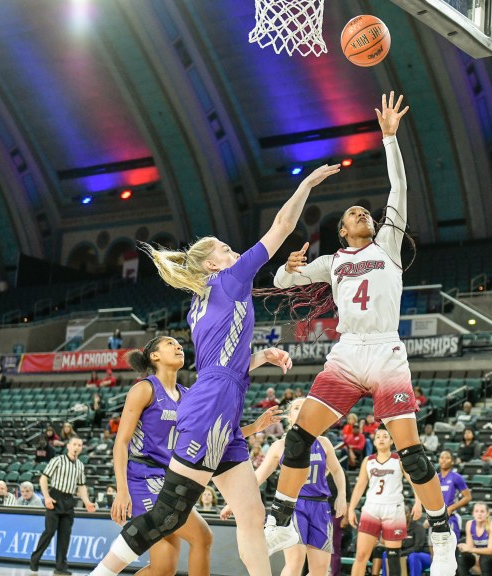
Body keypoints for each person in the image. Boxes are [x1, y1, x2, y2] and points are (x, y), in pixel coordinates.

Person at [83, 151, 339, 576]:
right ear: (212, 264)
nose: (232, 249)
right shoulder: (231, 279)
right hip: (211, 405)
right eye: (224, 248)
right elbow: (281, 227)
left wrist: (257, 357)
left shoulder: (201, 304)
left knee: (252, 517)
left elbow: (220, 362)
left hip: (222, 397)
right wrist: (306, 185)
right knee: (170, 515)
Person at [262, 94, 457, 575]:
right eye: (352, 213)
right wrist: (288, 269)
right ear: (342, 229)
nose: (361, 213)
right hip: (347, 353)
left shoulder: (388, 242)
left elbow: (399, 189)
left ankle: (441, 533)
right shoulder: (333, 263)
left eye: (365, 212)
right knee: (296, 437)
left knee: (411, 454)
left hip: (387, 350)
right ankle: (281, 519)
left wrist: (389, 137)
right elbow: (286, 282)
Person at [91, 336, 281, 576]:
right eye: (170, 344)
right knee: (202, 537)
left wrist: (254, 427)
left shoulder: (189, 395)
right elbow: (121, 442)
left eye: (179, 344)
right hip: (144, 478)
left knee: (163, 569)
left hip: (171, 477)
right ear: (154, 356)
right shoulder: (144, 389)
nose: (178, 346)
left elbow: (211, 434)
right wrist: (122, 490)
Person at [222, 397, 346, 576]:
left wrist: (341, 495)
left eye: (306, 407)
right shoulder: (279, 446)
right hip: (292, 505)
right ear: (289, 416)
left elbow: (337, 471)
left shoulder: (324, 443)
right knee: (294, 564)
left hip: (320, 506)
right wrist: (232, 504)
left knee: (319, 570)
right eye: (296, 408)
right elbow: (257, 477)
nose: (302, 410)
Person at [347, 427, 420, 576]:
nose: (381, 439)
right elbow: (360, 486)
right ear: (374, 442)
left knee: (393, 557)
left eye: (385, 436)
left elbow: (414, 482)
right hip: (371, 508)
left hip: (393, 509)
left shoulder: (399, 460)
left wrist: (418, 503)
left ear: (392, 441)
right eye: (378, 436)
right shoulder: (368, 461)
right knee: (361, 555)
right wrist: (351, 509)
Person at [31, 436, 96, 574]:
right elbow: (43, 479)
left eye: (79, 445)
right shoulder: (57, 460)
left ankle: (60, 568)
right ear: (68, 446)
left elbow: (81, 486)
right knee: (49, 532)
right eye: (74, 444)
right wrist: (46, 497)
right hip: (55, 497)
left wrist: (87, 502)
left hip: (69, 500)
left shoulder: (80, 465)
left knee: (65, 536)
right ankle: (34, 560)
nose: (77, 447)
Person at [436, 451, 471, 543]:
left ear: (452, 461)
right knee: (433, 547)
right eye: (441, 457)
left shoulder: (456, 477)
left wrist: (451, 508)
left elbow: (468, 497)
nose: (444, 460)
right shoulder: (435, 478)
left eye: (447, 457)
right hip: (436, 517)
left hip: (451, 518)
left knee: (451, 548)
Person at [458, 502, 492, 576]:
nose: (479, 514)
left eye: (482, 511)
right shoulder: (469, 524)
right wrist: (463, 548)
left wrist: (471, 550)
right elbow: (469, 547)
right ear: (473, 514)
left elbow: (491, 550)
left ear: (487, 514)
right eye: (476, 511)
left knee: (484, 560)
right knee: (462, 557)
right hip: (478, 554)